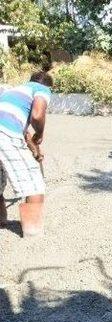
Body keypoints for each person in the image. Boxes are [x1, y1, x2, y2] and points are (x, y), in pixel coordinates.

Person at [0, 71, 53, 236]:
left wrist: (35, 150)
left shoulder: (13, 91)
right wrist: (41, 133)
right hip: (5, 135)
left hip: (5, 132)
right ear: (49, 87)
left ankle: (1, 220)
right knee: (34, 185)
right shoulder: (42, 89)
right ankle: (33, 232)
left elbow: (22, 132)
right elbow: (37, 116)